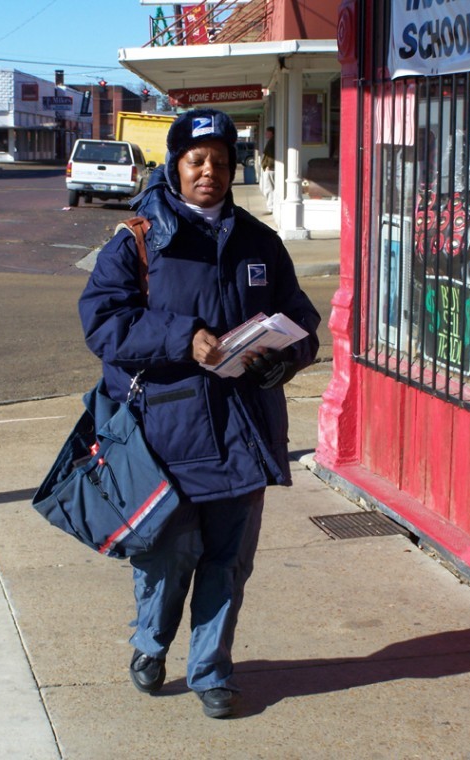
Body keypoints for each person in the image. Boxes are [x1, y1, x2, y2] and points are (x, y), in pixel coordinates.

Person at [78, 108, 320, 719]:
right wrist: (184, 339)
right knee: (168, 554)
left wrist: (285, 358)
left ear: (234, 169)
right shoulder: (138, 240)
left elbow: (301, 319)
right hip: (167, 432)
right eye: (196, 160)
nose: (209, 171)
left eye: (220, 161)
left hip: (244, 428)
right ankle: (151, 643)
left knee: (228, 561)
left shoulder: (260, 241)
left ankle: (212, 669)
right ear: (175, 166)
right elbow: (103, 323)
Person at [261, 125, 275, 213]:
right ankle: (271, 206)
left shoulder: (272, 142)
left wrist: (269, 165)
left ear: (272, 133)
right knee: (269, 188)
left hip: (271, 169)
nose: (265, 134)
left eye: (267, 132)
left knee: (269, 188)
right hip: (270, 168)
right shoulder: (271, 141)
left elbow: (271, 155)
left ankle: (271, 207)